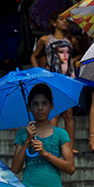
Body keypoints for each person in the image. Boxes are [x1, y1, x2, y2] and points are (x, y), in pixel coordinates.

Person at [30, 11, 80, 142]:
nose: (65, 21)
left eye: (66, 20)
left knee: (69, 113)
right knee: (54, 112)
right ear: (54, 22)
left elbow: (81, 53)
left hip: (68, 78)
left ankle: (70, 146)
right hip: (52, 78)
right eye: (61, 19)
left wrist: (74, 61)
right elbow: (33, 56)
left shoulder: (71, 40)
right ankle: (52, 143)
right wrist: (38, 72)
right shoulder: (45, 40)